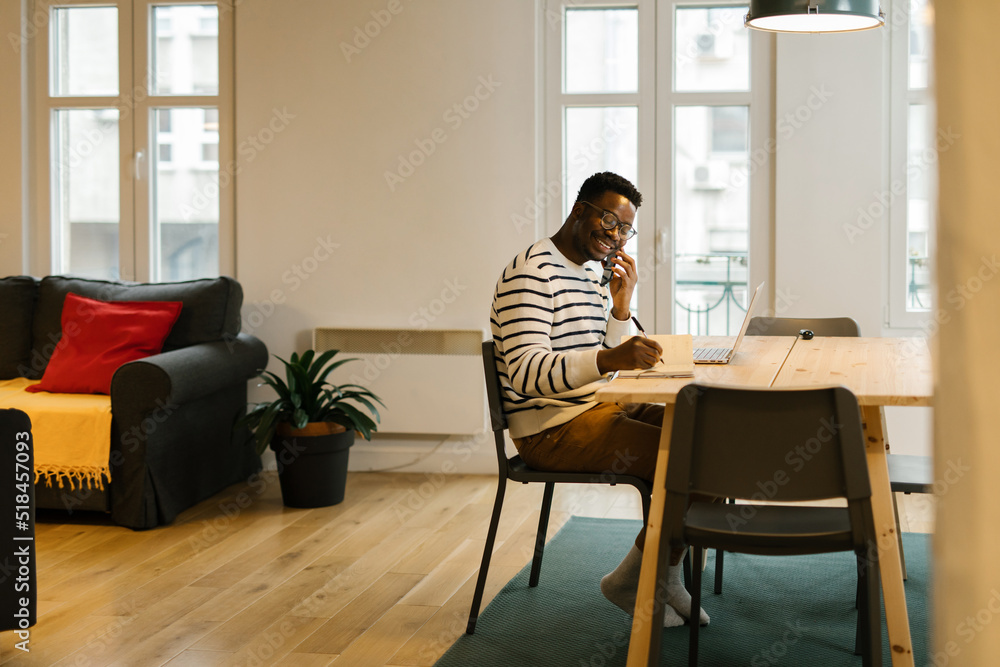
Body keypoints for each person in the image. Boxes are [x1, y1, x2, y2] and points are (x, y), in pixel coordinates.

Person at [489, 171, 709, 627]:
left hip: (599, 407)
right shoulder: (530, 273)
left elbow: (617, 357)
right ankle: (639, 579)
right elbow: (529, 374)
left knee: (705, 438)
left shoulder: (594, 274)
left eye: (624, 228)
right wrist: (610, 358)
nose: (614, 235)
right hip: (550, 429)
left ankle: (658, 575)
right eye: (608, 220)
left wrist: (621, 309)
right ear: (579, 209)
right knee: (685, 460)